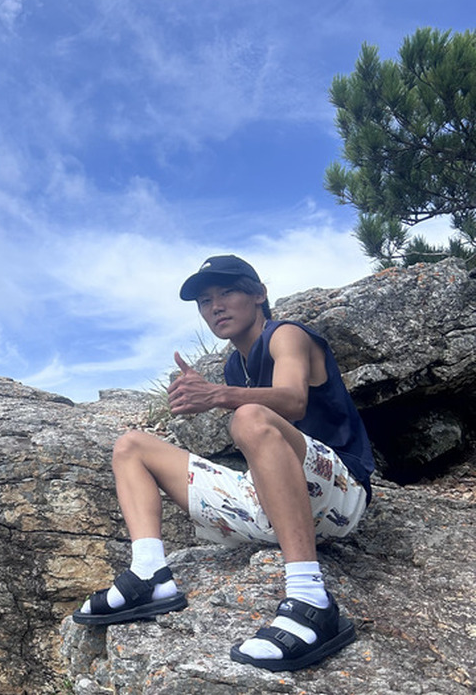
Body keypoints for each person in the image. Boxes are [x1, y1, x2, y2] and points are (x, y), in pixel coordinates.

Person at [74, 255, 375, 672]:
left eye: (228, 292)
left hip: (339, 494)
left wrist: (217, 395)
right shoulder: (236, 364)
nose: (215, 306)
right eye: (205, 301)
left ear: (259, 294)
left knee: (248, 417)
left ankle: (311, 599)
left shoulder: (285, 335)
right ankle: (150, 577)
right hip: (275, 504)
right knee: (131, 446)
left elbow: (293, 399)